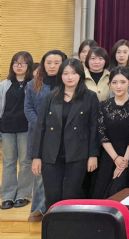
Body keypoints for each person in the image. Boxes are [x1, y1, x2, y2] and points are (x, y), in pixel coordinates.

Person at [31, 58, 99, 209]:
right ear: (60, 75)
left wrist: (93, 155)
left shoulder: (90, 97)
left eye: (73, 73)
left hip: (77, 154)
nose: (69, 77)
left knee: (71, 195)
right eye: (66, 73)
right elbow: (40, 127)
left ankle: (70, 224)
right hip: (51, 155)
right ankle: (54, 224)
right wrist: (36, 156)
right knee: (52, 196)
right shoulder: (51, 97)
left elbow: (94, 128)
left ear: (80, 75)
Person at [24, 49, 66, 221]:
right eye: (49, 63)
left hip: (62, 135)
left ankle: (57, 208)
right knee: (39, 173)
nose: (52, 66)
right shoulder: (33, 84)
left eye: (56, 63)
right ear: (43, 64)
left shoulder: (67, 83)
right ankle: (38, 208)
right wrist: (42, 125)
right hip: (39, 134)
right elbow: (28, 109)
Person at [92, 67, 129, 198]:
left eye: (122, 82)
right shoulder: (103, 105)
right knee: (102, 195)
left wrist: (123, 162)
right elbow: (102, 134)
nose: (118, 86)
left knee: (120, 194)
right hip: (108, 156)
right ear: (109, 84)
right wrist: (115, 158)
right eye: (114, 82)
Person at [0, 51, 34, 209]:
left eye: (22, 63)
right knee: (8, 162)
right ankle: (7, 195)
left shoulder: (33, 84)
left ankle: (23, 194)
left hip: (26, 129)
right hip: (7, 128)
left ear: (29, 66)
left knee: (26, 162)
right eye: (15, 63)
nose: (18, 66)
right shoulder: (4, 84)